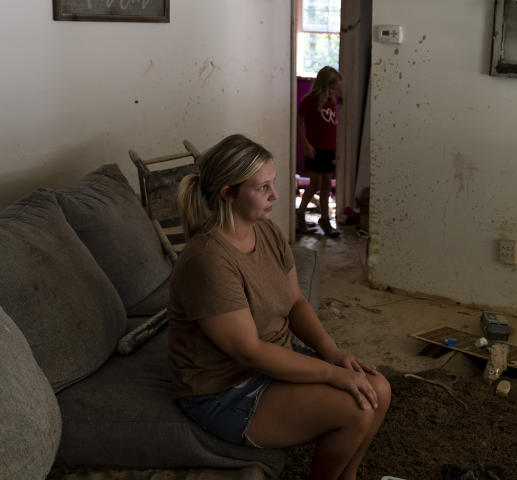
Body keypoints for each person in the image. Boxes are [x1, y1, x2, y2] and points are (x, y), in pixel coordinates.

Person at [168, 134, 391, 480]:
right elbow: (250, 352)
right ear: (228, 193)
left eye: (274, 184)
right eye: (262, 188)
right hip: (224, 389)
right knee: (357, 409)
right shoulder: (209, 260)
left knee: (380, 389)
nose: (275, 195)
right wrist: (334, 374)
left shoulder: (267, 231)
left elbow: (296, 301)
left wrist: (331, 351)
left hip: (271, 360)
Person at [297, 66, 342, 237]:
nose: (334, 91)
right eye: (332, 88)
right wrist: (306, 144)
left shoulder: (331, 102)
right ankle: (300, 213)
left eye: (335, 89)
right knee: (314, 184)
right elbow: (298, 123)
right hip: (315, 150)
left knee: (326, 186)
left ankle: (324, 219)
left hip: (329, 151)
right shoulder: (309, 100)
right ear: (323, 85)